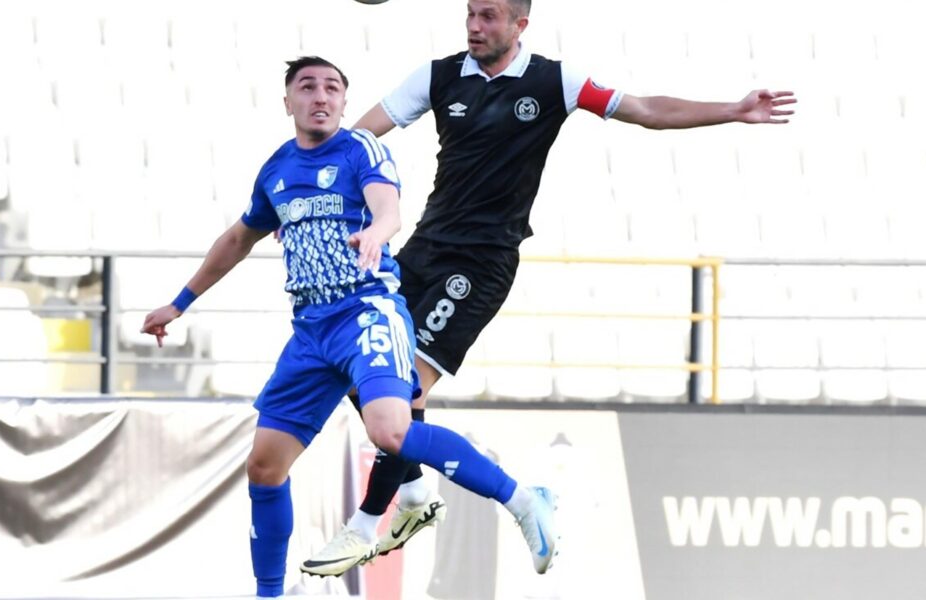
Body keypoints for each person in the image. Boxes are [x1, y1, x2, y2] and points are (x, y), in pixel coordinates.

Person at [308, 0, 797, 574]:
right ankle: (415, 493)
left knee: (402, 388)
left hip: (480, 263)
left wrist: (733, 110)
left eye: (489, 16)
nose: (474, 26)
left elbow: (645, 109)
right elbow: (360, 139)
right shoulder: (438, 76)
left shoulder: (554, 81)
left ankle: (367, 523)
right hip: (421, 249)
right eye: (470, 13)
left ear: (520, 25)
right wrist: (304, 187)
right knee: (359, 374)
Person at [140, 56, 559, 599]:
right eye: (307, 87)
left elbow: (389, 210)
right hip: (310, 331)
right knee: (264, 467)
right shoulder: (277, 170)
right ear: (287, 102)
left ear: (343, 101)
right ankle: (271, 594)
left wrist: (376, 234)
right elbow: (238, 239)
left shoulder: (361, 148)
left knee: (390, 430)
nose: (321, 96)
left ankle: (524, 500)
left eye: (332, 88)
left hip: (367, 312)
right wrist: (179, 303)